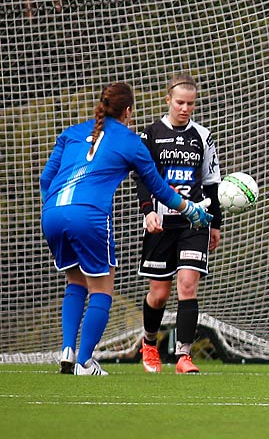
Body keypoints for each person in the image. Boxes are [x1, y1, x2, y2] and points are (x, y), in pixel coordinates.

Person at [41, 82, 212, 376]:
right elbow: (158, 187)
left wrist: (56, 211)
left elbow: (46, 179)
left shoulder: (71, 133)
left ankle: (67, 350)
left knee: (75, 283)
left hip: (52, 213)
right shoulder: (131, 141)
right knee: (102, 288)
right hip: (89, 215)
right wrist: (189, 209)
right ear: (128, 111)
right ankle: (85, 361)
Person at [135, 74, 224, 374]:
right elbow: (144, 179)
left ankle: (184, 356)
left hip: (194, 222)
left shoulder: (203, 136)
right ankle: (149, 343)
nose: (185, 108)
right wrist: (148, 211)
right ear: (168, 99)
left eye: (191, 104)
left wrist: (215, 224)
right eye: (180, 102)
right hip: (161, 223)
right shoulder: (150, 135)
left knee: (188, 286)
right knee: (159, 294)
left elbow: (212, 183)